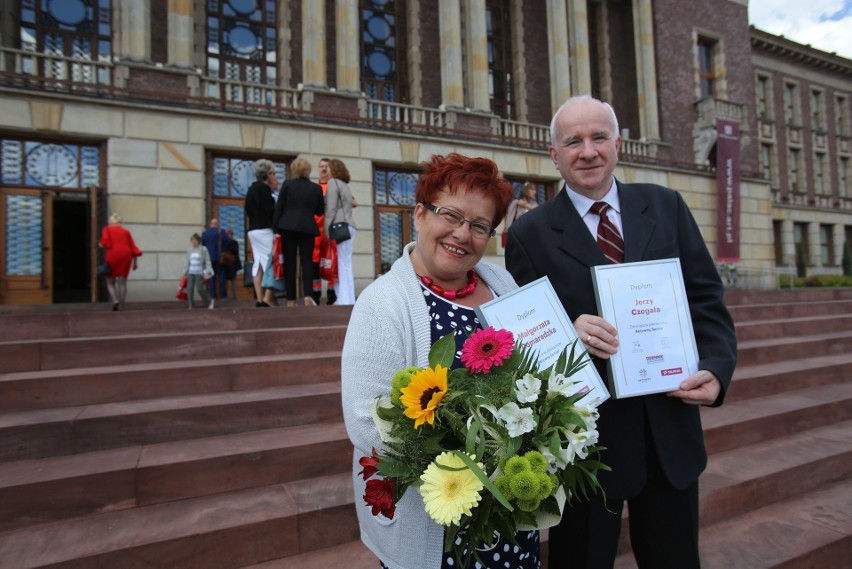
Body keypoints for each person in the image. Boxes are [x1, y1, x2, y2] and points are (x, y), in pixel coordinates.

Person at [505, 95, 737, 568]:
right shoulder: (530, 232)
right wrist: (567, 333)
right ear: (554, 154)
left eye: (597, 137)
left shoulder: (666, 205)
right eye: (573, 141)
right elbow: (521, 338)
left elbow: (706, 301)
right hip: (583, 445)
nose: (587, 151)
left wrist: (716, 367)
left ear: (617, 143)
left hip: (667, 435)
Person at [341, 153, 537, 569]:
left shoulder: (502, 284)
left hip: (507, 522)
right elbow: (364, 421)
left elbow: (539, 365)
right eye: (450, 215)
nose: (462, 234)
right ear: (419, 213)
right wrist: (476, 461)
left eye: (479, 225)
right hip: (433, 524)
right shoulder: (383, 303)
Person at [273, 157, 325, 307]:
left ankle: (291, 299)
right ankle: (308, 296)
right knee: (306, 262)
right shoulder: (316, 188)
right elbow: (320, 211)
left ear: (294, 170)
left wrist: (275, 228)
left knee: (290, 263)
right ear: (308, 170)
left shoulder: (287, 185)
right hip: (307, 228)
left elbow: (279, 208)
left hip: (287, 227)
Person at [245, 159, 278, 307]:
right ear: (268, 174)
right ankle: (267, 298)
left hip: (253, 230)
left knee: (257, 264)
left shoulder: (251, 189)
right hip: (265, 230)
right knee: (271, 262)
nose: (274, 176)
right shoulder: (265, 190)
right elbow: (270, 211)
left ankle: (259, 298)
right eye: (273, 173)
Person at [324, 158, 357, 305]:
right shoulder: (345, 185)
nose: (327, 171)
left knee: (342, 264)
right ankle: (348, 298)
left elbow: (330, 209)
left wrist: (326, 228)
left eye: (329, 168)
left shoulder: (333, 183)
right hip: (349, 226)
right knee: (346, 263)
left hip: (339, 226)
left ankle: (344, 299)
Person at [98, 213, 142, 311]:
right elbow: (133, 247)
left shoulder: (107, 229)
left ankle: (115, 301)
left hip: (112, 255)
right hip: (126, 255)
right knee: (122, 282)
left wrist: (100, 244)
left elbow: (104, 242)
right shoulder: (126, 232)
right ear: (120, 222)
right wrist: (135, 263)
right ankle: (122, 304)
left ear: (110, 222)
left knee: (109, 281)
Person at [311, 157, 335, 305]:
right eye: (321, 166)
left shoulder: (334, 186)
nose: (324, 169)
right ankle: (316, 293)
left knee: (331, 262)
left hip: (330, 231)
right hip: (316, 232)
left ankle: (332, 294)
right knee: (315, 263)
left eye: (327, 166)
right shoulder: (315, 188)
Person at [201, 218, 232, 301]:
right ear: (217, 224)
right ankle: (223, 296)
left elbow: (202, 246)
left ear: (211, 224)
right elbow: (228, 241)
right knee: (221, 276)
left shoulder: (205, 234)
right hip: (219, 258)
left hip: (209, 258)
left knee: (211, 277)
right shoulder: (220, 232)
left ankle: (212, 296)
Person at [184, 233, 215, 309]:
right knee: (189, 289)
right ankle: (191, 305)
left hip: (199, 272)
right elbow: (187, 262)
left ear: (198, 241)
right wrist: (185, 272)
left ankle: (209, 302)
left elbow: (207, 260)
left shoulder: (203, 249)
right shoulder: (189, 251)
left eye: (195, 240)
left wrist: (208, 270)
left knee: (200, 288)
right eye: (192, 240)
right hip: (191, 272)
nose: (194, 241)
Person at [223, 229, 242, 300]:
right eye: (228, 235)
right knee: (225, 280)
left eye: (231, 235)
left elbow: (235, 252)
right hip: (226, 263)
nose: (229, 236)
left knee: (233, 280)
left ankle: (234, 295)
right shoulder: (224, 242)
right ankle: (225, 295)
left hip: (233, 264)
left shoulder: (234, 242)